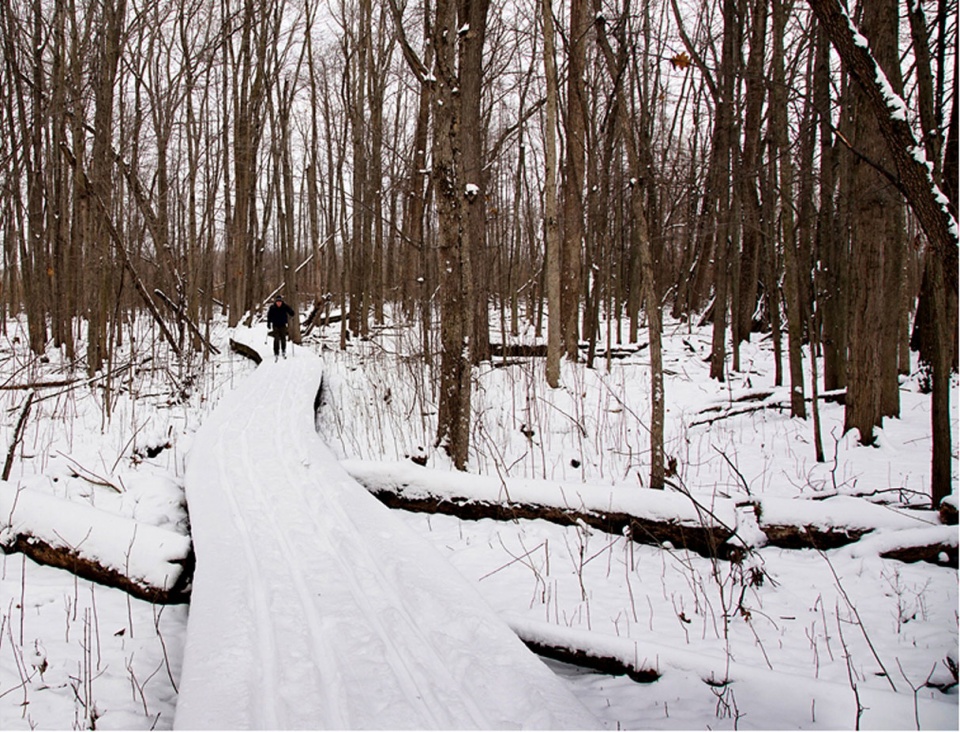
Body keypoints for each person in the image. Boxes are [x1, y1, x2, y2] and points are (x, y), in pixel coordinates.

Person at [267, 295, 296, 361]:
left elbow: (290, 311)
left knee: (283, 338)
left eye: (280, 302)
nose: (279, 303)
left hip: (283, 324)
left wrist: (292, 313)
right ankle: (276, 351)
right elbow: (269, 316)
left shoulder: (284, 306)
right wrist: (268, 323)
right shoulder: (272, 307)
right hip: (275, 325)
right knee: (276, 338)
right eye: (277, 302)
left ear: (281, 302)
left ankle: (283, 350)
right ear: (276, 302)